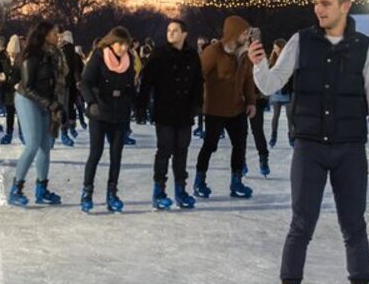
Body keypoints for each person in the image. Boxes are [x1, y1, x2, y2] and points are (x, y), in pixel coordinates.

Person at [250, 0, 369, 284]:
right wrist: (258, 64)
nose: (318, 8)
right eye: (315, 2)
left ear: (345, 6)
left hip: (349, 149)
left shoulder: (365, 48)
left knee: (354, 227)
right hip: (310, 147)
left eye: (325, 3)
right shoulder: (301, 41)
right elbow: (270, 85)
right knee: (301, 225)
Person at [138, 18, 204, 210]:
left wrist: (197, 105)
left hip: (184, 112)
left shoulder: (192, 55)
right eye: (169, 30)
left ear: (184, 34)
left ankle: (180, 190)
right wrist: (141, 106)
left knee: (181, 152)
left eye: (175, 30)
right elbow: (146, 81)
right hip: (164, 111)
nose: (171, 33)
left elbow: (198, 82)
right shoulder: (159, 54)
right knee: (164, 150)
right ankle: (159, 191)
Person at [195, 16, 257, 200]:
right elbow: (199, 76)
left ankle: (236, 182)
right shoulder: (214, 51)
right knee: (210, 145)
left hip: (237, 108)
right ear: (234, 32)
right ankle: (200, 180)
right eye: (244, 32)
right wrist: (196, 102)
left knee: (240, 145)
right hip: (215, 108)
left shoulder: (245, 54)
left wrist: (251, 102)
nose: (247, 36)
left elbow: (248, 79)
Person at [80, 26, 136, 213]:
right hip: (100, 112)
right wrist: (91, 102)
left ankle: (112, 193)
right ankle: (87, 192)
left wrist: (132, 103)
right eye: (119, 44)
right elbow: (85, 82)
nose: (122, 48)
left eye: (125, 44)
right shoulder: (99, 57)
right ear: (111, 43)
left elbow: (131, 87)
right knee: (96, 153)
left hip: (120, 113)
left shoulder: (129, 60)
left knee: (116, 155)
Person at [9, 21, 65, 207]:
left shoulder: (54, 56)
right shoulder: (31, 56)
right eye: (54, 34)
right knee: (32, 144)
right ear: (45, 36)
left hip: (45, 103)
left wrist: (56, 103)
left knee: (45, 145)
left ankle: (42, 189)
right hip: (28, 100)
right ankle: (16, 189)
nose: (58, 37)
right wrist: (50, 103)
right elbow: (27, 87)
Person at [266, 39, 292, 147]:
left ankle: (291, 136)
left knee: (289, 115)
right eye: (274, 47)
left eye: (276, 47)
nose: (274, 49)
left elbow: (291, 74)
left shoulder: (287, 58)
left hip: (286, 91)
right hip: (276, 92)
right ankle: (273, 136)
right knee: (275, 115)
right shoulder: (272, 59)